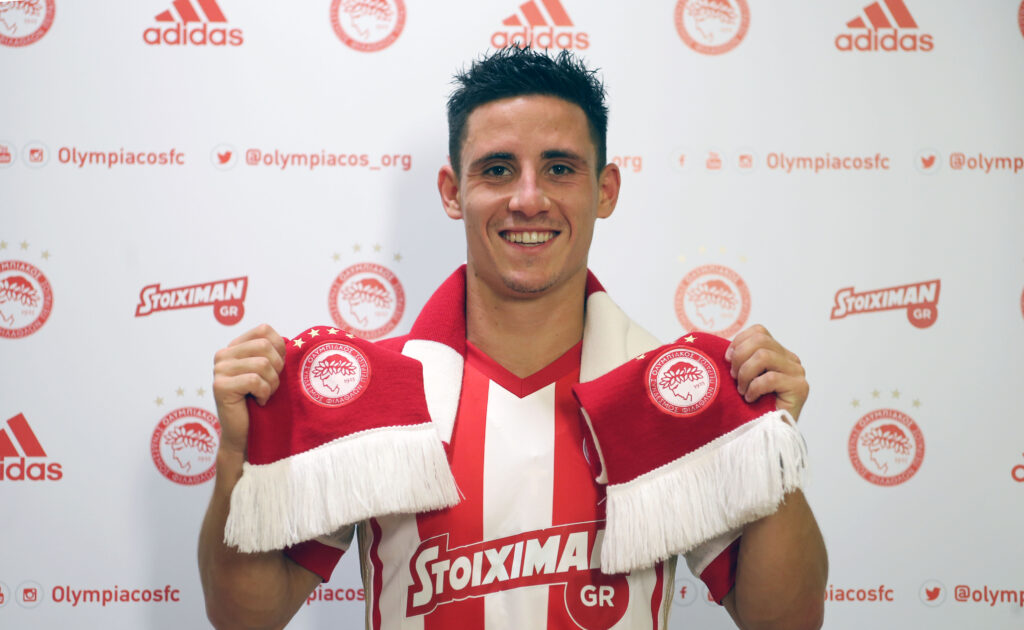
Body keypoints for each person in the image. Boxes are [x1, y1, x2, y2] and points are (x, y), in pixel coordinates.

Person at [199, 47, 827, 630]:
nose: (529, 200)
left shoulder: (672, 392)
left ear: (605, 190)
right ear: (454, 193)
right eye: (498, 169)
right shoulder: (377, 391)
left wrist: (765, 443)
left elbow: (784, 622)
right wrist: (236, 455)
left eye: (559, 168)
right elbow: (247, 618)